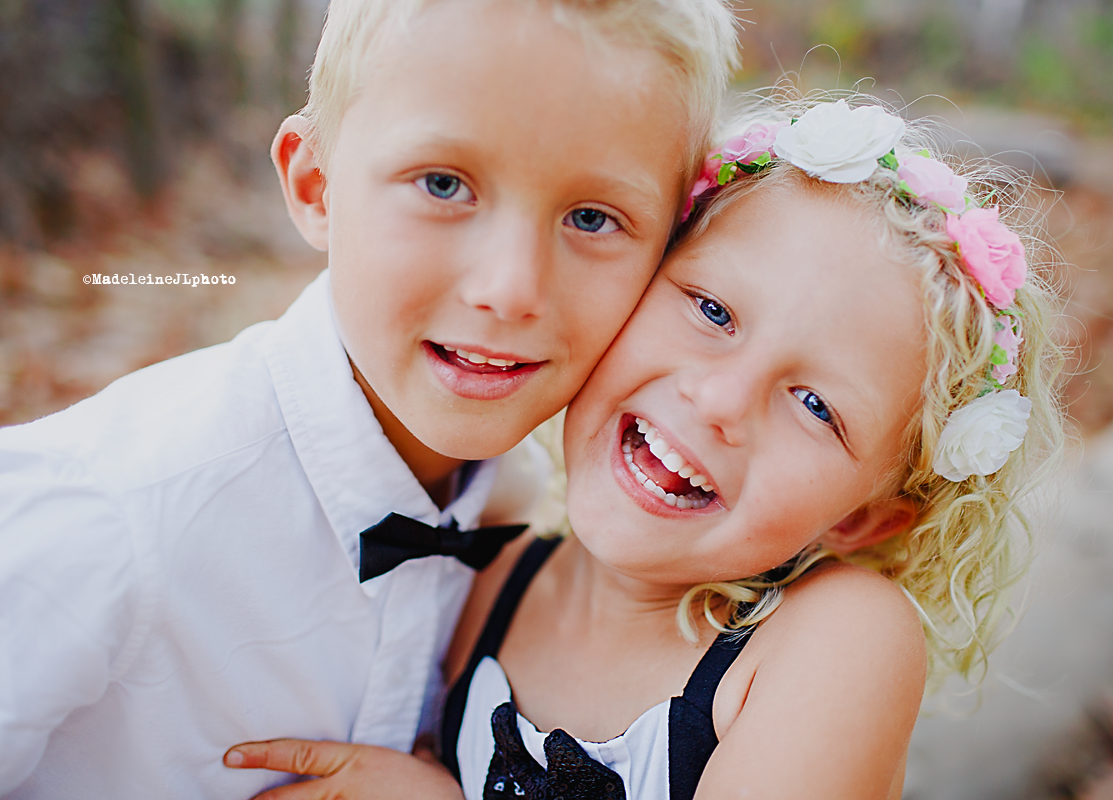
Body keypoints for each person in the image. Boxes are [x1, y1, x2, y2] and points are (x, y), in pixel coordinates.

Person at [224, 93, 1065, 799]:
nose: (721, 399)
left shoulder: (833, 643)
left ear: (866, 521)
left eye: (815, 405)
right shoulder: (491, 582)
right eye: (711, 311)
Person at [0, 0, 742, 797]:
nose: (510, 289)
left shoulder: (530, 520)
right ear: (316, 185)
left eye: (593, 218)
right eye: (444, 184)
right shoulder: (105, 513)